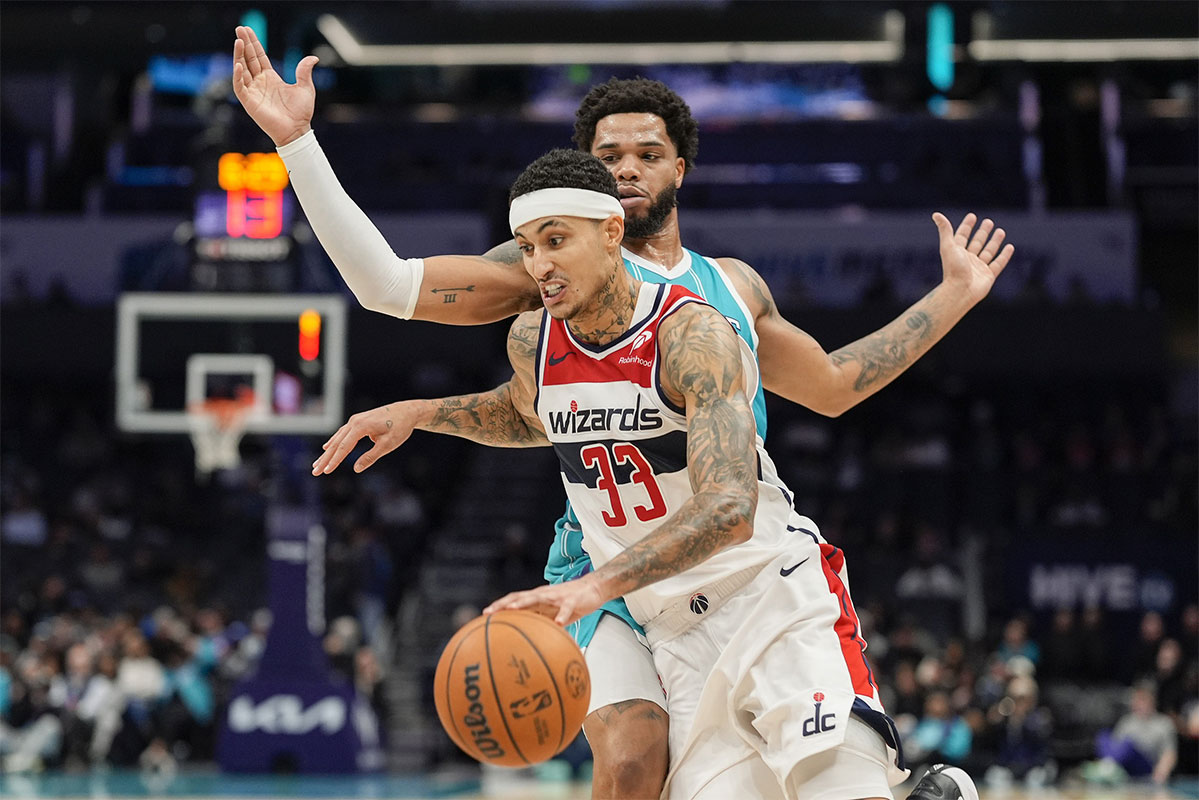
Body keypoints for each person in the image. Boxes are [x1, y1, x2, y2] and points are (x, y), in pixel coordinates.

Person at [233, 26, 1008, 799]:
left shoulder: (724, 291)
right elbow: (392, 291)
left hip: (735, 552)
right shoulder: (551, 262)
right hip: (607, 564)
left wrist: (951, 296)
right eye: (608, 157)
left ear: (680, 166)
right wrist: (299, 144)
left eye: (645, 153)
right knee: (632, 761)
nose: (627, 169)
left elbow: (837, 383)